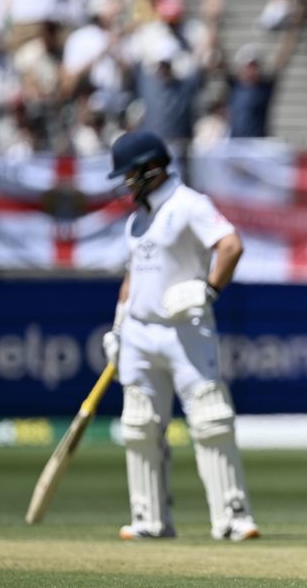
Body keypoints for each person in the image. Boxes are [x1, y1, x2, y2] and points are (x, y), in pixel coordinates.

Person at [101, 130, 260, 542]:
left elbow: (231, 245)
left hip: (184, 329)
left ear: (151, 168)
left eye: (130, 175)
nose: (126, 184)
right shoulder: (138, 219)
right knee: (138, 425)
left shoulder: (189, 204)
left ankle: (232, 517)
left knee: (210, 420)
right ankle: (149, 520)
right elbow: (132, 276)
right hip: (138, 332)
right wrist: (118, 328)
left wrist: (209, 290)